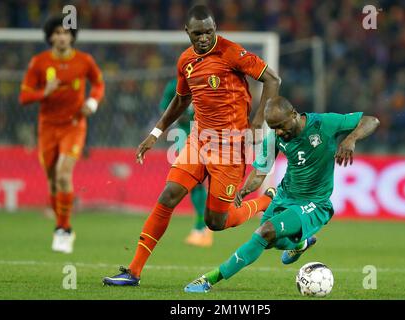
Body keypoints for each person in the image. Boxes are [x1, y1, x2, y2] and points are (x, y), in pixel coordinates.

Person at [103, 4, 281, 286]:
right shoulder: (185, 61)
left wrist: (259, 122)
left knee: (216, 222)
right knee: (169, 195)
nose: (204, 38)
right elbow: (181, 100)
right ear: (187, 32)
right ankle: (133, 271)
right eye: (198, 33)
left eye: (209, 31)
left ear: (215, 29)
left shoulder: (231, 52)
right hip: (199, 140)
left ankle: (265, 201)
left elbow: (272, 79)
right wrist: (155, 132)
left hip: (230, 146)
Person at [184, 96, 380, 292]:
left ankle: (209, 279)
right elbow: (261, 170)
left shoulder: (324, 123)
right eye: (273, 127)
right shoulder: (276, 137)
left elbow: (372, 120)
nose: (278, 131)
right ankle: (301, 244)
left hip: (314, 202)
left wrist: (350, 139)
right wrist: (245, 189)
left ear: (293, 114)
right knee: (269, 241)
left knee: (265, 231)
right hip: (285, 196)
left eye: (280, 126)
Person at [19, 16, 105, 254]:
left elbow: (99, 84)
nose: (61, 36)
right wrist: (43, 93)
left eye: (65, 32)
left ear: (72, 36)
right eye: (56, 32)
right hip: (47, 127)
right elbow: (24, 97)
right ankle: (63, 227)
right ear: (50, 37)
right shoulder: (39, 62)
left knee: (63, 175)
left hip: (74, 125)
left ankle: (63, 229)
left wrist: (92, 102)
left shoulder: (84, 61)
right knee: (53, 182)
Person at [160, 78, 212, 247]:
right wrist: (179, 115)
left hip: (209, 134)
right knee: (194, 183)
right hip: (184, 136)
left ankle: (204, 226)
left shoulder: (209, 81)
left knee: (201, 181)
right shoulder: (173, 85)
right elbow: (166, 109)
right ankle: (201, 227)